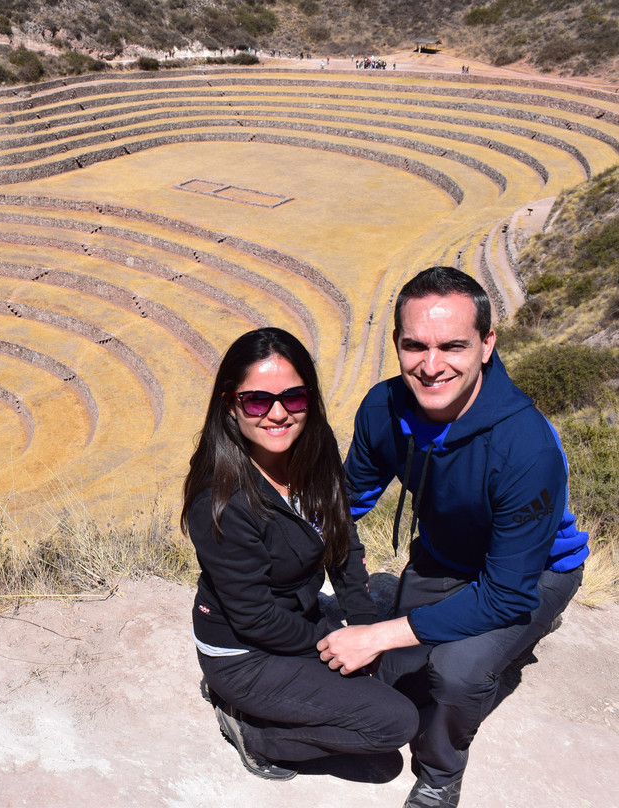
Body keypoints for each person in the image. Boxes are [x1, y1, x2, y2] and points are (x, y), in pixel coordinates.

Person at [318, 267, 589, 807]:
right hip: (442, 559)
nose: (431, 365)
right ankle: (497, 640)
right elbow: (344, 506)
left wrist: (378, 632)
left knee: (455, 672)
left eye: (453, 345)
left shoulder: (525, 448)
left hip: (532, 575)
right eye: (415, 345)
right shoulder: (384, 407)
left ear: (487, 344)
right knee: (390, 682)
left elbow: (506, 592)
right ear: (397, 344)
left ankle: (441, 774)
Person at [182, 328, 417, 780]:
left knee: (406, 668)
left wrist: (364, 629)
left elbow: (343, 544)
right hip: (244, 654)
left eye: (293, 398)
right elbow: (255, 619)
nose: (277, 414)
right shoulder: (222, 501)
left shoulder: (313, 448)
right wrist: (333, 644)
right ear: (231, 404)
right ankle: (253, 731)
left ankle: (290, 701)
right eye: (257, 401)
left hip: (297, 623)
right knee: (393, 726)